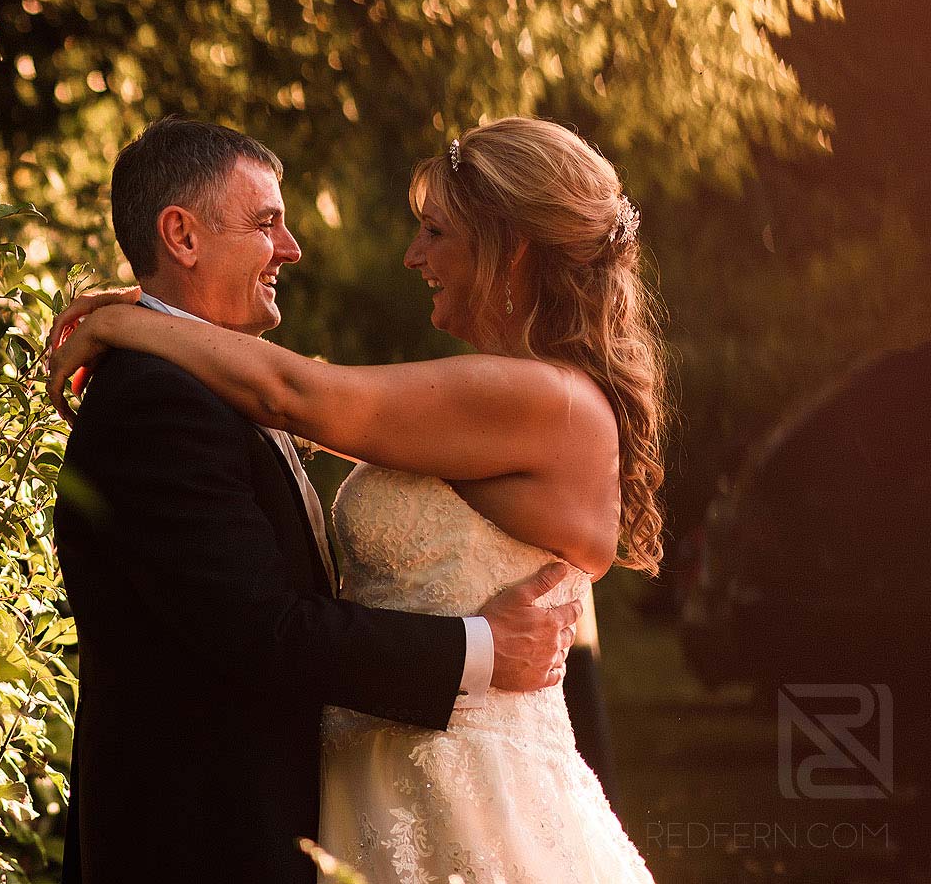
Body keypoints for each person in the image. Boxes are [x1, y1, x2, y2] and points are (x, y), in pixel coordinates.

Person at [50, 115, 662, 883]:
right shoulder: (481, 402)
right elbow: (288, 394)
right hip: (364, 793)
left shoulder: (538, 395)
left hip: (470, 789)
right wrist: (149, 314)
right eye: (266, 221)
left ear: (510, 248)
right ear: (184, 234)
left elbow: (293, 390)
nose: (414, 256)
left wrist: (124, 317)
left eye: (435, 231)